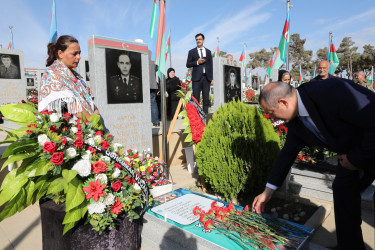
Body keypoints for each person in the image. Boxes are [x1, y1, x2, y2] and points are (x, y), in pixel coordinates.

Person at [252, 80, 375, 250]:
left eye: (271, 113)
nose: (272, 119)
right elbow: (287, 154)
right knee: (343, 189)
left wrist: (355, 159)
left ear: (283, 102)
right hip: (351, 154)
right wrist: (268, 191)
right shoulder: (296, 122)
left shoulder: (331, 91)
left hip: (368, 144)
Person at [39, 35, 99, 120]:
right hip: (72, 128)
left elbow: (89, 99)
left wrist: (96, 112)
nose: (78, 57)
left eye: (79, 53)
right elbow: (72, 106)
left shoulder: (76, 75)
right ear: (60, 53)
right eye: (74, 53)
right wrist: (94, 122)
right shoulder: (53, 74)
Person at [186, 33, 213, 114]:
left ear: (203, 40)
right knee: (196, 99)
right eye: (197, 39)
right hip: (196, 79)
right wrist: (197, 62)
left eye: (200, 39)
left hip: (206, 78)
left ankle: (205, 118)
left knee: (206, 99)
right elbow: (188, 64)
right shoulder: (191, 52)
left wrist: (211, 78)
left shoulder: (208, 52)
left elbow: (211, 65)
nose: (198, 41)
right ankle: (197, 119)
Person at [150, 60, 160, 126]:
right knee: (153, 102)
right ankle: (156, 121)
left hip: (143, 84)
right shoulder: (153, 59)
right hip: (152, 84)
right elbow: (157, 71)